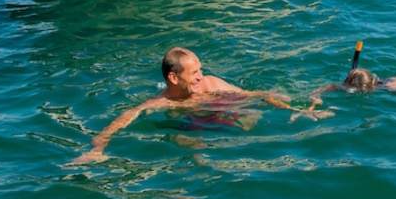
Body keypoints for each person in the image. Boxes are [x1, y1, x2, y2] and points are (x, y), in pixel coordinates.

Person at [69, 47, 302, 164]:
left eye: (200, 69)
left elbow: (256, 95)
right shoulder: (163, 102)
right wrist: (97, 148)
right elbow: (127, 117)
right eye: (194, 73)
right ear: (173, 78)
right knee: (189, 147)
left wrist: (295, 110)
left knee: (251, 119)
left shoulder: (211, 83)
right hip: (196, 125)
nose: (201, 76)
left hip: (224, 118)